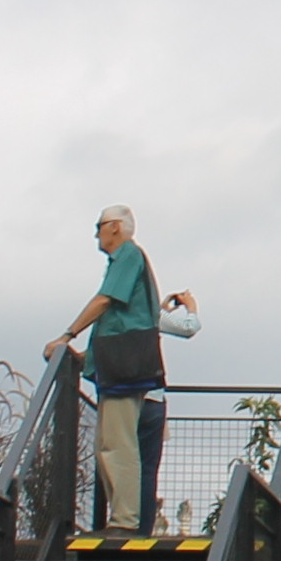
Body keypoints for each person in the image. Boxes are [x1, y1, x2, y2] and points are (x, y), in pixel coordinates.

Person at [42, 206, 196, 532]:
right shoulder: (128, 259)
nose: (96, 234)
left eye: (98, 227)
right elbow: (118, 321)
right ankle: (123, 518)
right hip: (119, 365)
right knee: (106, 446)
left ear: (115, 227)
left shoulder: (127, 255)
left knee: (118, 445)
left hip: (125, 369)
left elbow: (104, 301)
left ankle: (125, 521)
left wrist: (67, 334)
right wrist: (84, 357)